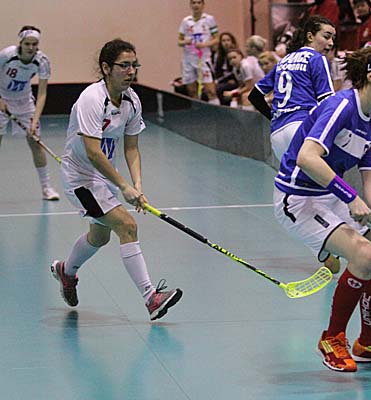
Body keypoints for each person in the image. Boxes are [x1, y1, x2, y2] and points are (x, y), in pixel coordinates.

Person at [273, 44, 371, 372]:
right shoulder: (340, 107)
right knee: (364, 254)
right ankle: (332, 338)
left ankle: (369, 341)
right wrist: (350, 197)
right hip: (298, 199)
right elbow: (307, 157)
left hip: (330, 197)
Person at [51, 39, 182, 321]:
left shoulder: (131, 100)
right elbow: (93, 152)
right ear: (106, 68)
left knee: (99, 237)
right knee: (127, 226)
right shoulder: (91, 99)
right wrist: (124, 186)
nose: (131, 71)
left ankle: (66, 271)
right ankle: (151, 297)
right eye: (124, 65)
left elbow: (131, 148)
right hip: (81, 178)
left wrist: (138, 186)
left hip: (103, 177)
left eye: (134, 65)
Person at [249, 16, 340, 274]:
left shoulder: (284, 61)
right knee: (329, 187)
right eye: (326, 36)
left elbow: (254, 95)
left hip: (278, 135)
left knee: (303, 191)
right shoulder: (317, 59)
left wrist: (276, 118)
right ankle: (338, 239)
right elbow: (328, 102)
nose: (330, 43)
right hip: (302, 129)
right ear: (310, 36)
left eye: (333, 38)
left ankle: (321, 249)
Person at [0, 25, 60, 200]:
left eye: (35, 44)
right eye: (27, 43)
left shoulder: (42, 61)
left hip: (24, 103)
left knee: (35, 143)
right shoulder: (7, 55)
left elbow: (42, 93)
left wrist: (35, 120)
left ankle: (46, 188)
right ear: (21, 42)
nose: (31, 47)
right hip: (2, 98)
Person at [177, 0, 220, 104]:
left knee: (210, 90)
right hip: (188, 59)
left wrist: (205, 44)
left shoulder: (209, 19)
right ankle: (197, 111)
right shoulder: (186, 21)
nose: (196, 5)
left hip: (204, 58)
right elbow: (179, 41)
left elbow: (217, 39)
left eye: (199, 2)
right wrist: (185, 42)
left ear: (203, 4)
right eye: (194, 3)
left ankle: (216, 110)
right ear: (190, 5)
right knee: (192, 91)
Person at [212, 32, 239, 105]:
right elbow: (216, 70)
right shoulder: (217, 55)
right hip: (221, 80)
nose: (226, 43)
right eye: (223, 41)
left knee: (219, 89)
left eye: (228, 40)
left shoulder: (235, 54)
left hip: (233, 80)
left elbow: (234, 71)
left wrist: (219, 81)